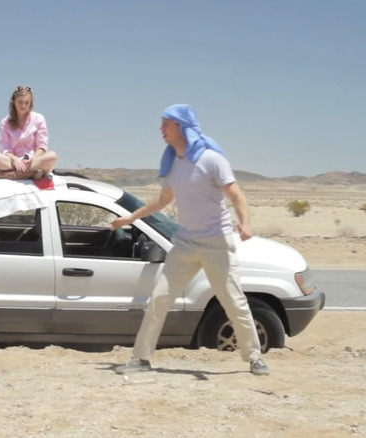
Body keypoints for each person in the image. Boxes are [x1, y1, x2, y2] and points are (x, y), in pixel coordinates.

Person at [111, 104, 270, 376]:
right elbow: (163, 201)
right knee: (159, 298)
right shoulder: (174, 163)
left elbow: (236, 195)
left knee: (233, 299)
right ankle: (141, 358)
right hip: (186, 243)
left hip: (217, 242)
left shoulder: (211, 160)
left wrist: (245, 222)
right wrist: (130, 219)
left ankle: (254, 357)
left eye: (166, 123)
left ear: (182, 126)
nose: (161, 129)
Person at [0, 85, 57, 180]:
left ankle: (10, 175)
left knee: (52, 156)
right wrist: (15, 160)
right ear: (13, 102)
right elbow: (4, 147)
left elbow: (42, 146)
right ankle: (29, 174)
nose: (23, 106)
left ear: (31, 104)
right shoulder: (5, 122)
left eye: (26, 103)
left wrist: (33, 159)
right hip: (12, 162)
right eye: (20, 102)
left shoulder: (39, 119)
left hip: (33, 161)